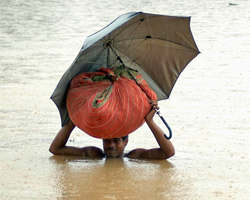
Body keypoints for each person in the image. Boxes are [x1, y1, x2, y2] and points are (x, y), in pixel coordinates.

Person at [49, 100, 175, 160]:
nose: (111, 146)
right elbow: (55, 149)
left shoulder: (134, 156)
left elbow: (169, 152)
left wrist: (150, 121)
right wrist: (73, 120)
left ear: (126, 142)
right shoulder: (95, 154)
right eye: (107, 141)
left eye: (116, 141)